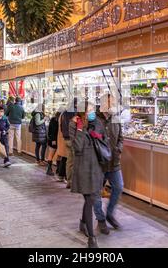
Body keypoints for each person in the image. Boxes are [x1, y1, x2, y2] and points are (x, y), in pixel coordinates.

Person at [71, 102, 104, 249]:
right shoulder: (74, 125)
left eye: (93, 110)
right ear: (82, 113)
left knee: (89, 199)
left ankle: (83, 223)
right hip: (83, 168)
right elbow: (77, 147)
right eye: (89, 111)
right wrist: (79, 128)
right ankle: (91, 238)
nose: (92, 113)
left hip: (95, 167)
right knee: (89, 199)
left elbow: (103, 139)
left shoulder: (96, 123)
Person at [93, 94, 124, 235]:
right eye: (112, 103)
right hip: (99, 163)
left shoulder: (116, 119)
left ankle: (109, 214)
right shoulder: (94, 120)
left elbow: (121, 138)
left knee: (118, 187)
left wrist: (119, 148)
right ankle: (100, 219)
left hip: (114, 162)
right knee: (96, 192)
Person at [60, 99, 77, 189]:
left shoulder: (64, 113)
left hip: (66, 139)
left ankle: (69, 181)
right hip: (73, 139)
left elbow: (61, 126)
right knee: (76, 161)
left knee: (69, 161)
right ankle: (74, 182)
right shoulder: (75, 113)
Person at [45, 111, 60, 176]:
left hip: (53, 139)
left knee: (53, 154)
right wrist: (54, 140)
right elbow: (53, 131)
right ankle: (49, 169)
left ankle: (53, 169)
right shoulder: (55, 120)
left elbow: (49, 130)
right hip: (54, 140)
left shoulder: (53, 119)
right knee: (52, 154)